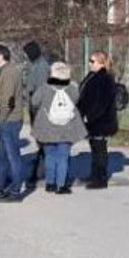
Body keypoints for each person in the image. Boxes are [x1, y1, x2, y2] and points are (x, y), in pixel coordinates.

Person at [31, 61, 87, 194]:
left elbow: (34, 101)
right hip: (67, 127)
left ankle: (50, 183)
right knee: (63, 156)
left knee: (50, 155)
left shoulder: (44, 88)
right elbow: (77, 100)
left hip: (47, 126)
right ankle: (61, 185)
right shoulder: (72, 88)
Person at [78, 51, 119, 190]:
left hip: (100, 120)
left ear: (101, 62)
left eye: (92, 61)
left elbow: (102, 102)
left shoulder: (105, 78)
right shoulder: (92, 76)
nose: (90, 63)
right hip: (91, 119)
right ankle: (94, 174)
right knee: (94, 148)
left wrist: (90, 116)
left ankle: (101, 179)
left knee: (100, 149)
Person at [0, 45, 27, 203]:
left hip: (9, 120)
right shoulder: (3, 72)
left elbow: (8, 100)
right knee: (2, 157)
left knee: (13, 157)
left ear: (0, 56)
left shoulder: (10, 72)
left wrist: (0, 120)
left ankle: (16, 191)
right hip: (6, 120)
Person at [24, 42, 51, 190]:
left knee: (43, 141)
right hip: (37, 108)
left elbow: (38, 90)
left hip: (40, 109)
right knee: (41, 141)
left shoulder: (40, 67)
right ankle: (41, 168)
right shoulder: (35, 64)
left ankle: (42, 170)